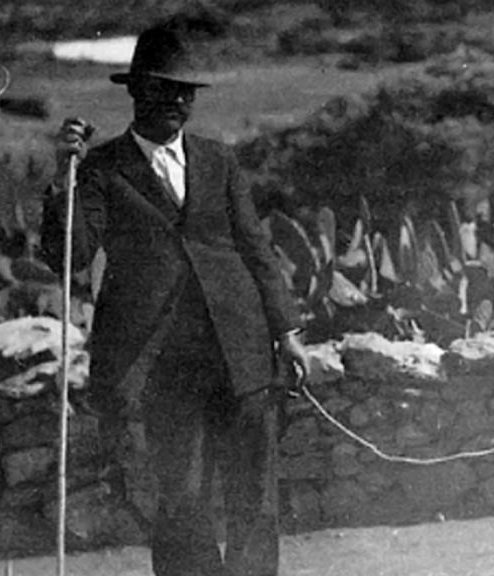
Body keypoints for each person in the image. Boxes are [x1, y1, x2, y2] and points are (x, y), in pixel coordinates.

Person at [40, 22, 310, 576]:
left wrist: (287, 332)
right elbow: (68, 254)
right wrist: (62, 180)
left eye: (185, 92)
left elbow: (257, 249)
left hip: (242, 350)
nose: (176, 102)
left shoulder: (218, 161)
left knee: (254, 496)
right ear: (135, 91)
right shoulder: (100, 169)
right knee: (182, 499)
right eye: (163, 89)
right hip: (163, 364)